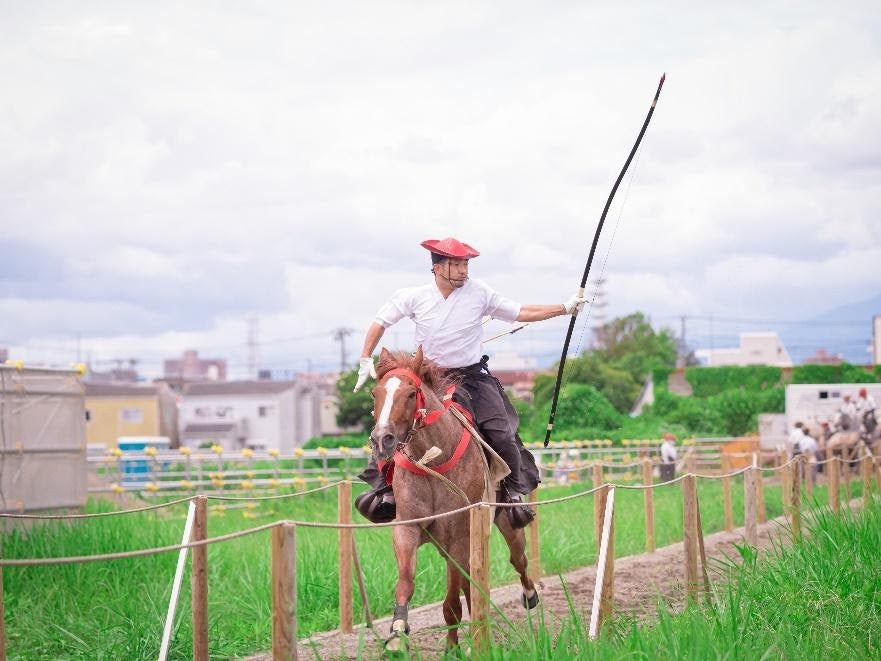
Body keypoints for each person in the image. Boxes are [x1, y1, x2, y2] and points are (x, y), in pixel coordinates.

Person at [352, 236, 586, 529]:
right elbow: (380, 322)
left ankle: (512, 494)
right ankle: (384, 490)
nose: (464, 271)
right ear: (438, 268)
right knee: (394, 422)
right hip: (427, 377)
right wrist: (364, 358)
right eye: (457, 265)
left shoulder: (480, 293)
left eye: (465, 265)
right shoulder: (414, 296)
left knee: (501, 430)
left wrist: (564, 308)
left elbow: (520, 312)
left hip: (472, 378)